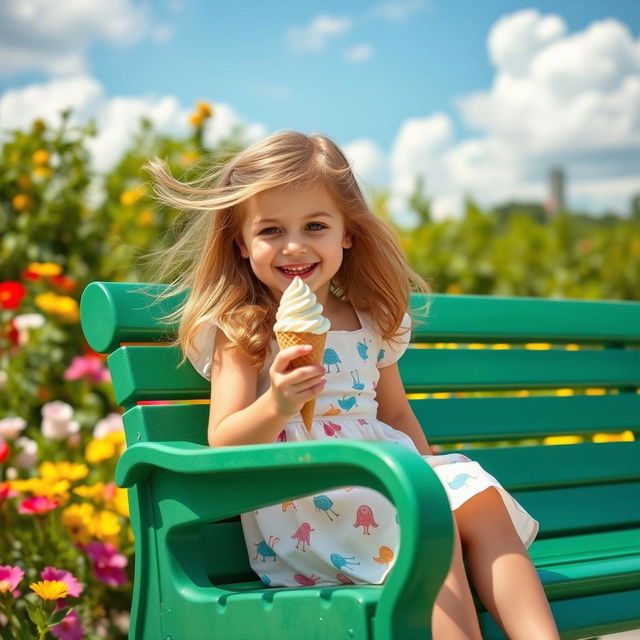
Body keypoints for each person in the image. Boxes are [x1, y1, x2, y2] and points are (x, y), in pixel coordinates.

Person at [145, 131, 560, 639]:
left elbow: (397, 415)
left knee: (477, 501)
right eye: (271, 230)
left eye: (315, 225)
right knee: (431, 528)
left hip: (382, 473)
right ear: (241, 243)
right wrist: (277, 402)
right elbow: (223, 439)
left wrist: (427, 472)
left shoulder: (368, 317)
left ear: (347, 233)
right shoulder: (245, 327)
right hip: (306, 492)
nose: (294, 245)